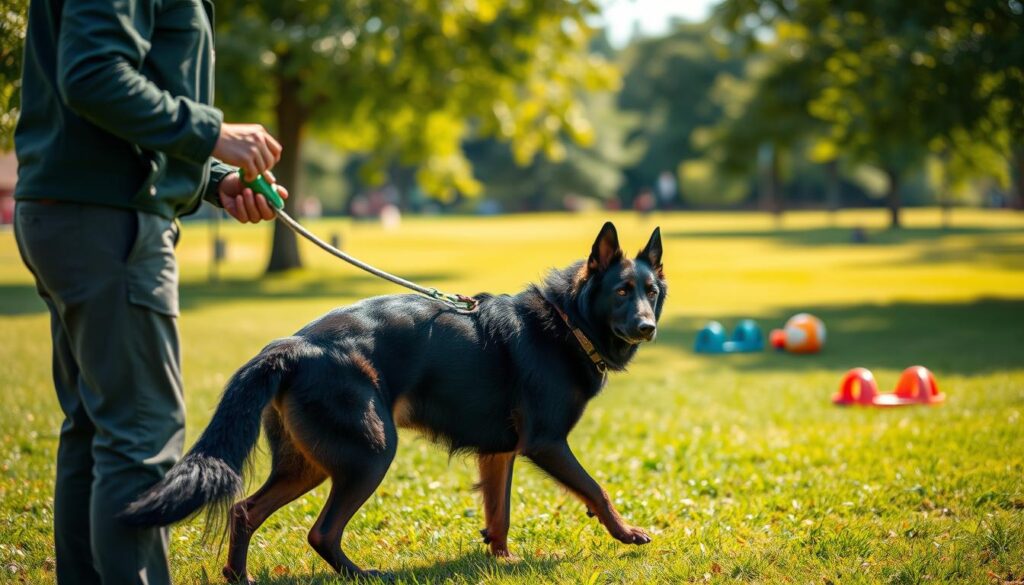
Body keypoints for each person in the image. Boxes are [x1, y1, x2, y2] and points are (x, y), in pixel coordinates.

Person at [13, 1, 288, 583]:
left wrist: (215, 179)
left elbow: (123, 102)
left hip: (81, 214)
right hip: (106, 224)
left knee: (94, 431)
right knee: (139, 438)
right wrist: (214, 133)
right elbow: (92, 74)